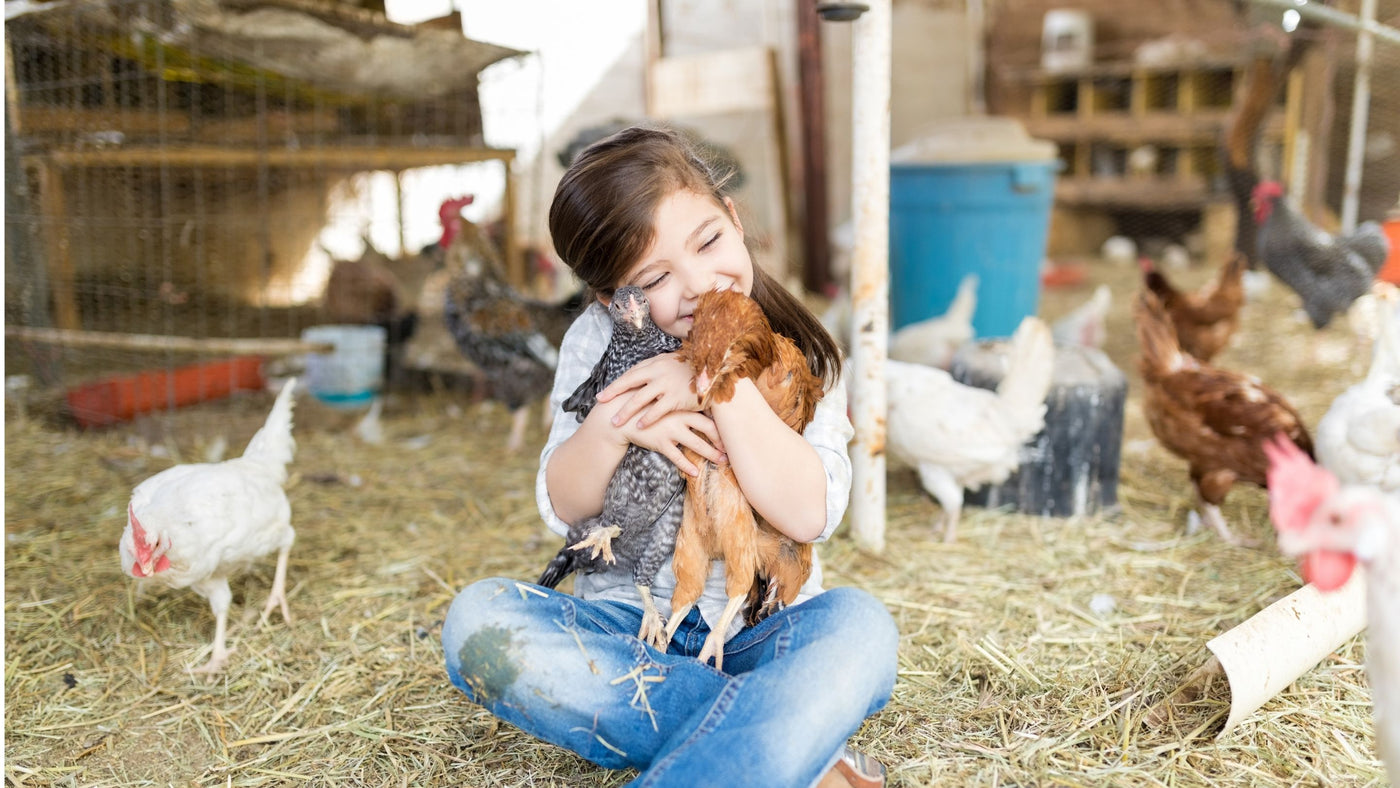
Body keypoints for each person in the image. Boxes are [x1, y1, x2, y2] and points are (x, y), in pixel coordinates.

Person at [441, 124, 898, 788]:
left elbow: (807, 515)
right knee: (478, 621)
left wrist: (714, 380)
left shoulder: (800, 346)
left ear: (733, 218)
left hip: (763, 632)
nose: (697, 284)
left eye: (708, 241)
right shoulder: (596, 340)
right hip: (629, 633)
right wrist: (612, 424)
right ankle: (788, 747)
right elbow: (564, 506)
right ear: (613, 298)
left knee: (861, 629)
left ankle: (758, 738)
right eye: (655, 277)